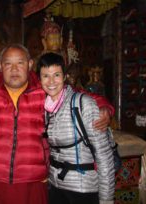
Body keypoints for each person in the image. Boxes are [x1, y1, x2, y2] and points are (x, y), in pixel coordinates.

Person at [0, 44, 114, 204]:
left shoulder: (44, 89)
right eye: (8, 64)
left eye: (20, 63)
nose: (14, 70)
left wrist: (104, 107)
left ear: (30, 65)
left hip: (32, 180)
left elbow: (80, 95)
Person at [36, 52, 115, 204]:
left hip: (82, 188)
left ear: (65, 76)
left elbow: (104, 156)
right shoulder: (47, 108)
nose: (51, 81)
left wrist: (106, 199)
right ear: (39, 79)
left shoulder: (83, 103)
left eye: (57, 75)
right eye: (46, 76)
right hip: (56, 186)